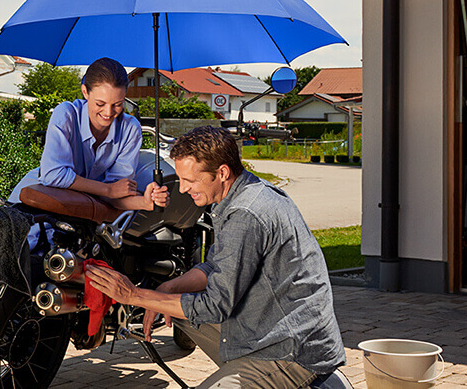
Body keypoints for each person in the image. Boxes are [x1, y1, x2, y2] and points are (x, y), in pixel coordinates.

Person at [87, 126, 346, 388]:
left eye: (191, 180)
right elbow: (214, 265)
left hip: (290, 351)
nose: (184, 189)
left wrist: (133, 295)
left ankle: (312, 381)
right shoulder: (243, 194)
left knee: (177, 308)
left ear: (221, 172)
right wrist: (167, 288)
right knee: (172, 308)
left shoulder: (246, 214)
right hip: (277, 328)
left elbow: (215, 306)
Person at [9, 57, 169, 250]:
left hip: (75, 214)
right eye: (100, 103)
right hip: (33, 201)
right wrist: (107, 189)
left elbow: (116, 194)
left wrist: (144, 201)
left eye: (117, 104)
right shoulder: (66, 113)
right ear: (85, 91)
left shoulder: (129, 128)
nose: (108, 113)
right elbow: (53, 175)